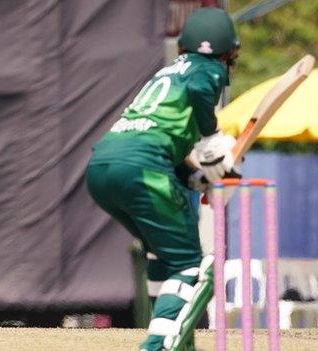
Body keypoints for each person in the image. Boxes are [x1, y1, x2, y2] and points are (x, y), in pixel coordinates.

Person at [85, 8, 240, 351]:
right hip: (144, 168)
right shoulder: (207, 69)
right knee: (191, 266)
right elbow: (202, 90)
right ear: (226, 51)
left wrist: (197, 177)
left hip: (102, 167)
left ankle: (174, 338)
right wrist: (212, 139)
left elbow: (160, 139)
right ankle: (158, 345)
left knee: (161, 254)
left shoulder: (167, 73)